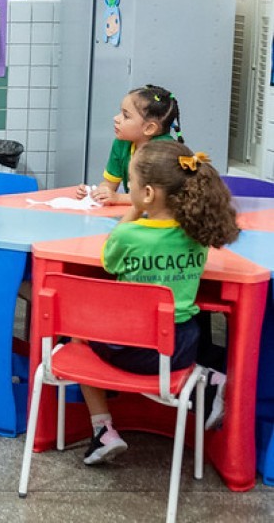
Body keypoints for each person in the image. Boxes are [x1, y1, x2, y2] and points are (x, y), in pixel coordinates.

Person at [78, 140, 237, 465]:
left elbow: (108, 261)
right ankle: (206, 378)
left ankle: (103, 430)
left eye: (132, 185)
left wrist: (134, 211)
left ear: (147, 194)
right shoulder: (196, 236)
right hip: (180, 349)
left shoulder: (128, 236)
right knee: (187, 324)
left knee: (78, 334)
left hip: (126, 349)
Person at [75, 84, 182, 206]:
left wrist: (119, 198)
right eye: (120, 112)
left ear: (149, 128)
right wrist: (96, 193)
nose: (116, 118)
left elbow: (156, 198)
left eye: (126, 116)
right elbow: (109, 184)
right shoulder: (121, 143)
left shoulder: (164, 151)